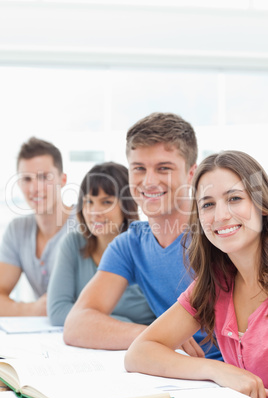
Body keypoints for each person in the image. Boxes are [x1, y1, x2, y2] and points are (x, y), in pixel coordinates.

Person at [63, 112, 222, 360]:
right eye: (139, 168)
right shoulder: (130, 244)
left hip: (236, 376)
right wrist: (155, 336)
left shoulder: (217, 232)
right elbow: (76, 325)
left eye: (163, 168)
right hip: (179, 372)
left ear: (192, 173)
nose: (148, 181)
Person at [125, 150, 268, 398]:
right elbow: (139, 353)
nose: (221, 216)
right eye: (208, 204)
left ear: (261, 204)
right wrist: (217, 370)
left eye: (234, 198)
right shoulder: (217, 283)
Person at [47, 162, 155, 326]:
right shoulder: (73, 244)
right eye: (88, 202)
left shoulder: (150, 248)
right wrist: (120, 324)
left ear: (127, 204)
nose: (94, 212)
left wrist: (89, 319)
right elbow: (58, 311)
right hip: (93, 346)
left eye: (106, 202)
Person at [0, 137, 76, 316]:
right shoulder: (17, 230)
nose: (35, 188)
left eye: (44, 177)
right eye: (26, 179)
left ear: (63, 179)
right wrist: (32, 309)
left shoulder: (86, 225)